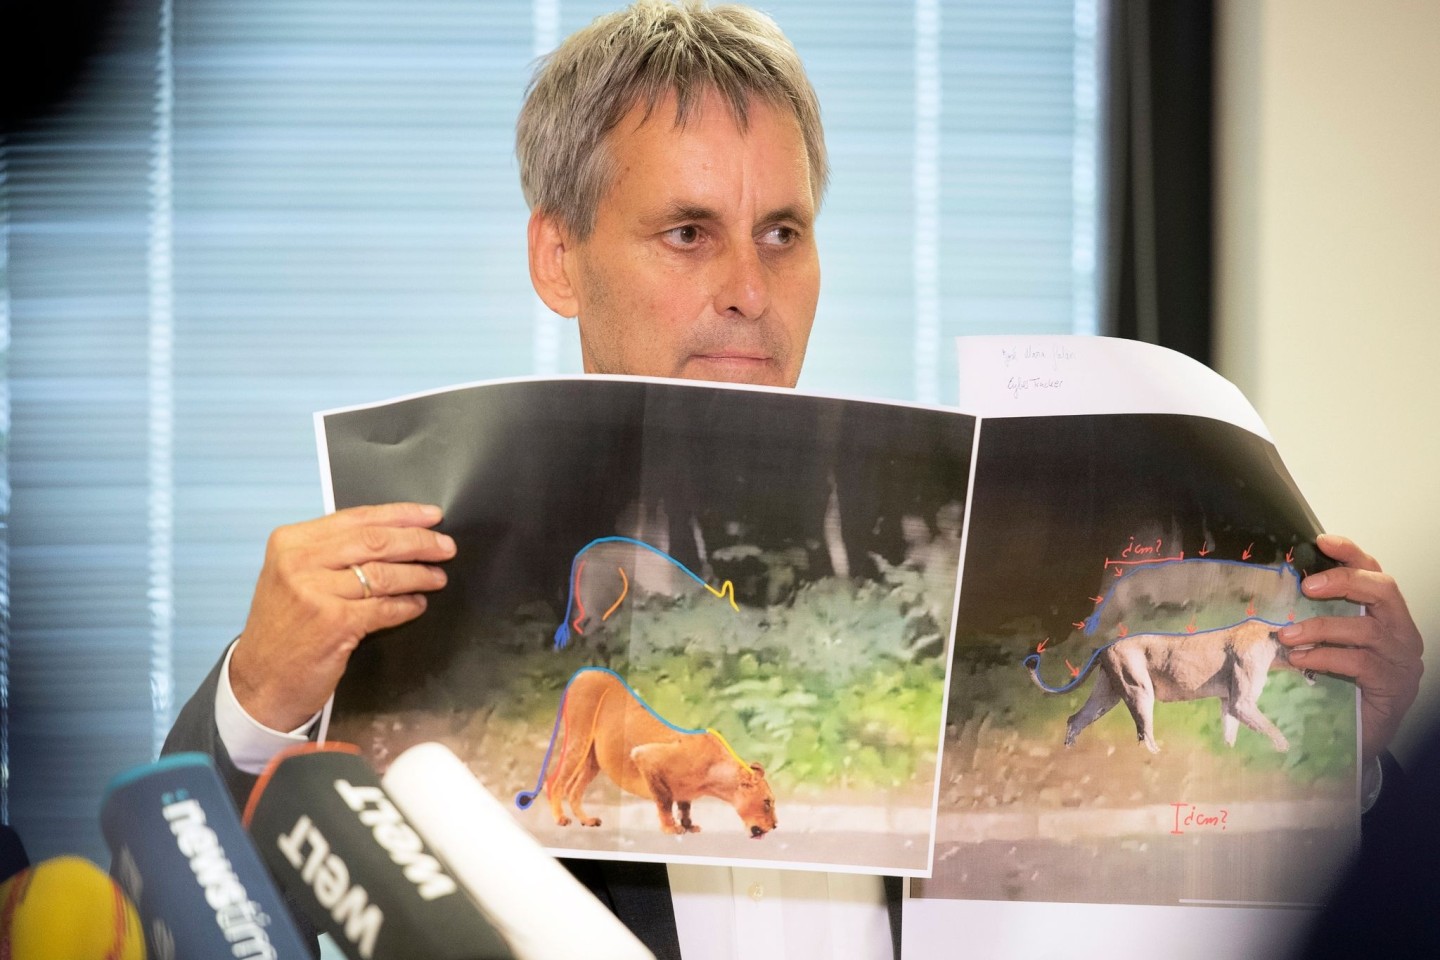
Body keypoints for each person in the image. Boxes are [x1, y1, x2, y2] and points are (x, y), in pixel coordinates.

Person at [165, 2, 1426, 958]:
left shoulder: (927, 556)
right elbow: (205, 902)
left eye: (783, 232)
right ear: (560, 257)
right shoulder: (414, 568)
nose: (748, 292)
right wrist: (257, 696)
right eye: (687, 232)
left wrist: (1338, 754)